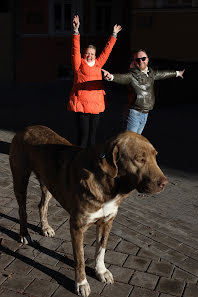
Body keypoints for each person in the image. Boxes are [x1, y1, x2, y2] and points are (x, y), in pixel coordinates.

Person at [67, 15, 122, 147]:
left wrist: (114, 34)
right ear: (84, 54)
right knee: (83, 136)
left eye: (92, 53)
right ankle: (79, 160)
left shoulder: (98, 63)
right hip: (83, 105)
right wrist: (76, 31)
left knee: (92, 137)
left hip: (96, 105)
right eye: (87, 53)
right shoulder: (79, 64)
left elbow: (107, 51)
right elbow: (75, 50)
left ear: (95, 55)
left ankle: (89, 160)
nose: (89, 55)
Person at [102, 49, 185, 134]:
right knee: (130, 142)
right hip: (134, 114)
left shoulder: (151, 73)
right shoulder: (131, 75)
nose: (141, 61)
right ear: (134, 62)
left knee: (136, 142)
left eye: (143, 58)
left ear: (148, 59)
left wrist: (177, 73)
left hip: (145, 114)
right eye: (137, 60)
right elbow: (122, 77)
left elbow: (162, 74)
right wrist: (111, 77)